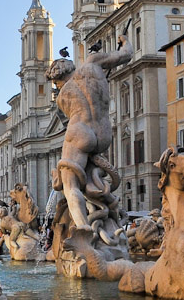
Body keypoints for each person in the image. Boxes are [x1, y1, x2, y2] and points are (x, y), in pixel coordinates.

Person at [47, 34, 132, 232]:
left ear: (57, 79)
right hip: (103, 133)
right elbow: (126, 55)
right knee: (90, 172)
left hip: (80, 130)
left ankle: (84, 229)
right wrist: (124, 41)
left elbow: (68, 123)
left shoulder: (61, 98)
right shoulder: (92, 64)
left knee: (70, 185)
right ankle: (100, 208)